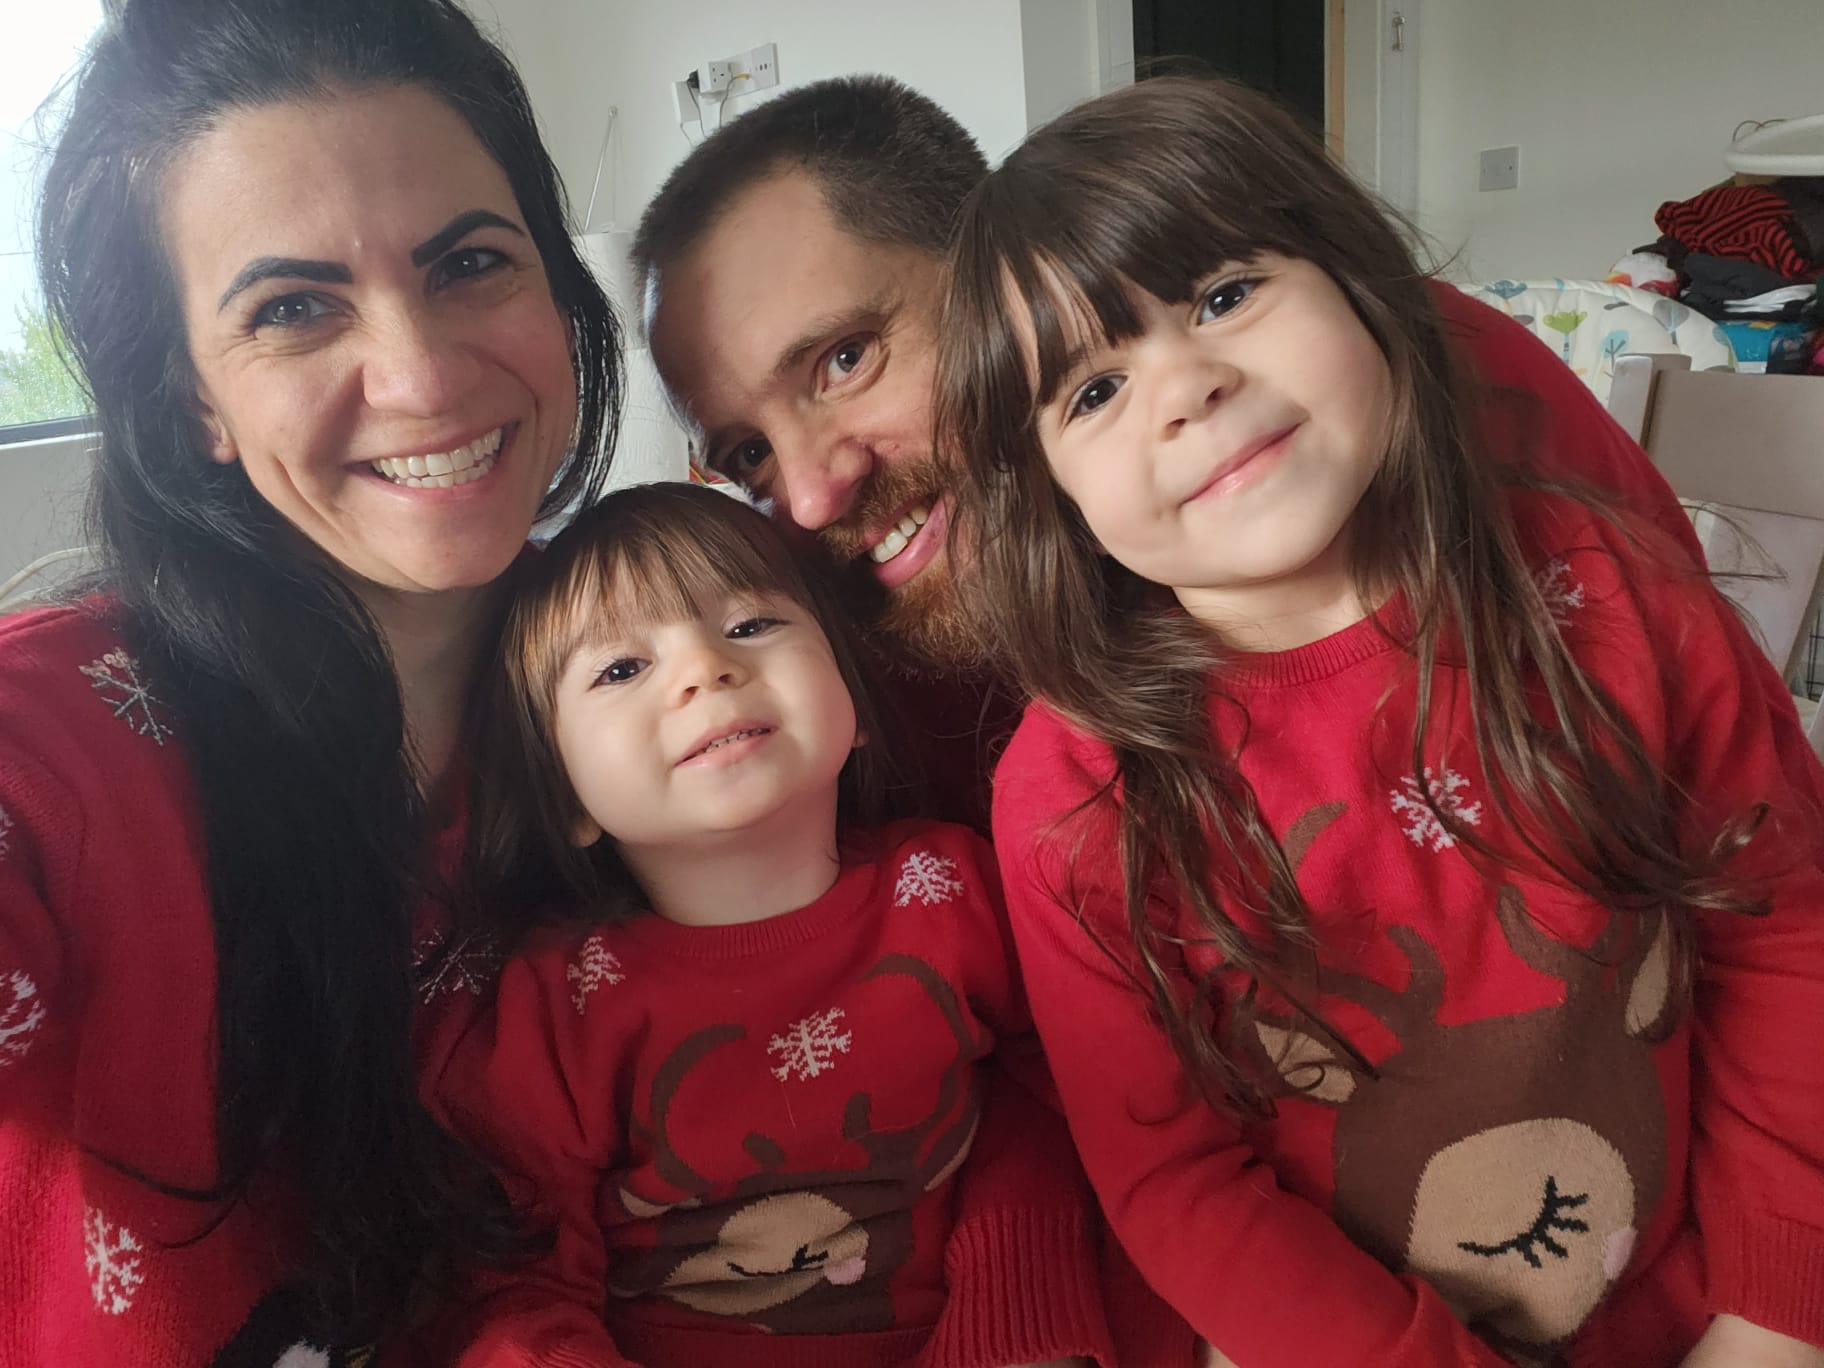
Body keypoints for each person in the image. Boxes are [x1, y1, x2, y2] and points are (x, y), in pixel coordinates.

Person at [939, 77, 1824, 1368]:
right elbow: (1173, 1182)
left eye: (1225, 295)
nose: (1184, 387)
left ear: (1360, 284)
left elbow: (1784, 924)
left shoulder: (1604, 581)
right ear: (1049, 503)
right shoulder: (1075, 794)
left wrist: (1777, 1307)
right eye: (1091, 392)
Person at [0, 0, 623, 1361]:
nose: (419, 374)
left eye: (471, 260)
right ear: (193, 402)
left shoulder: (668, 661)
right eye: (292, 307)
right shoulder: (60, 737)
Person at [428, 481, 1113, 1368]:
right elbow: (502, 1285)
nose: (703, 669)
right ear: (564, 796)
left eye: (750, 625)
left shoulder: (955, 890)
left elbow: (1084, 1103)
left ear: (855, 703)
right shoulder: (551, 1012)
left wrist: (1018, 1306)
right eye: (622, 669)